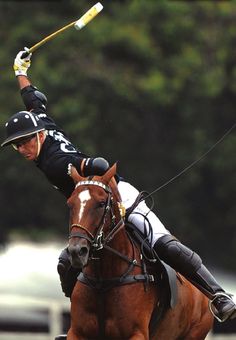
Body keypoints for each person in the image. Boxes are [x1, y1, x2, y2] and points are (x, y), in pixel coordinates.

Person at [1, 49, 236, 323]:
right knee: (67, 262)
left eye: (25, 141)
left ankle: (219, 296)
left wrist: (116, 201)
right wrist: (21, 73)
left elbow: (100, 165)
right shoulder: (43, 125)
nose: (21, 148)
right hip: (91, 208)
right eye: (16, 144)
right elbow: (34, 101)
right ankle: (83, 320)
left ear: (39, 135)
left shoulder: (55, 162)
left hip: (116, 195)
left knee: (160, 242)